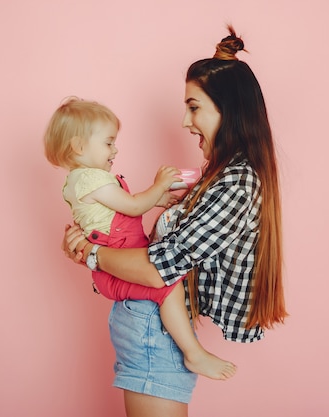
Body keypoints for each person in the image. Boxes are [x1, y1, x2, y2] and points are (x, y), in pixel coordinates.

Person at [63, 25, 287, 417]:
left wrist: (91, 253)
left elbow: (156, 269)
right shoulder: (221, 177)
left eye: (194, 107)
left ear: (228, 110)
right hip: (150, 326)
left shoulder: (236, 182)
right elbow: (158, 257)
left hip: (153, 326)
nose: (185, 121)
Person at [43, 96, 237, 382]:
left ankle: (193, 351)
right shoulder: (91, 179)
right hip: (116, 252)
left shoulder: (79, 180)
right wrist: (157, 186)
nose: (115, 149)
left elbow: (122, 210)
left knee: (168, 283)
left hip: (117, 250)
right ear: (79, 146)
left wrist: (158, 199)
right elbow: (133, 206)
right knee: (168, 287)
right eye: (108, 142)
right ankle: (193, 352)